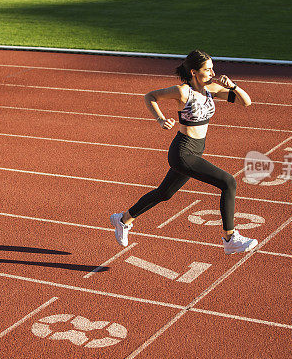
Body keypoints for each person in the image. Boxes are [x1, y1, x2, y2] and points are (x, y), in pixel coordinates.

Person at [110, 49, 258, 254]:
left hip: (196, 150)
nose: (212, 72)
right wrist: (161, 119)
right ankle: (229, 237)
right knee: (228, 182)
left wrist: (232, 86)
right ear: (194, 72)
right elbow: (150, 96)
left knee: (164, 193)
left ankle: (123, 219)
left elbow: (246, 102)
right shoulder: (183, 91)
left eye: (212, 68)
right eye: (207, 69)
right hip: (183, 151)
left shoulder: (212, 89)